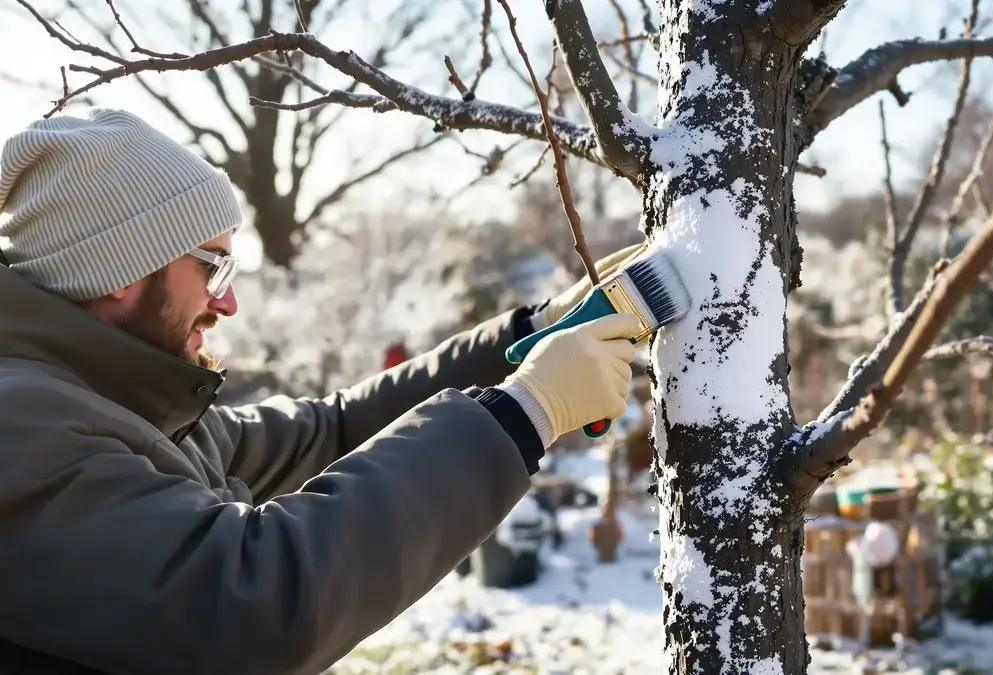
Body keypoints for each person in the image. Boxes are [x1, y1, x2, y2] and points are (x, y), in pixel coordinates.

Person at [0, 108, 646, 675]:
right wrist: (527, 413)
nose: (228, 300)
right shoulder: (23, 427)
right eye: (212, 265)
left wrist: (525, 336)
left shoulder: (128, 404)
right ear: (119, 267)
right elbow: (252, 603)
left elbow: (329, 432)